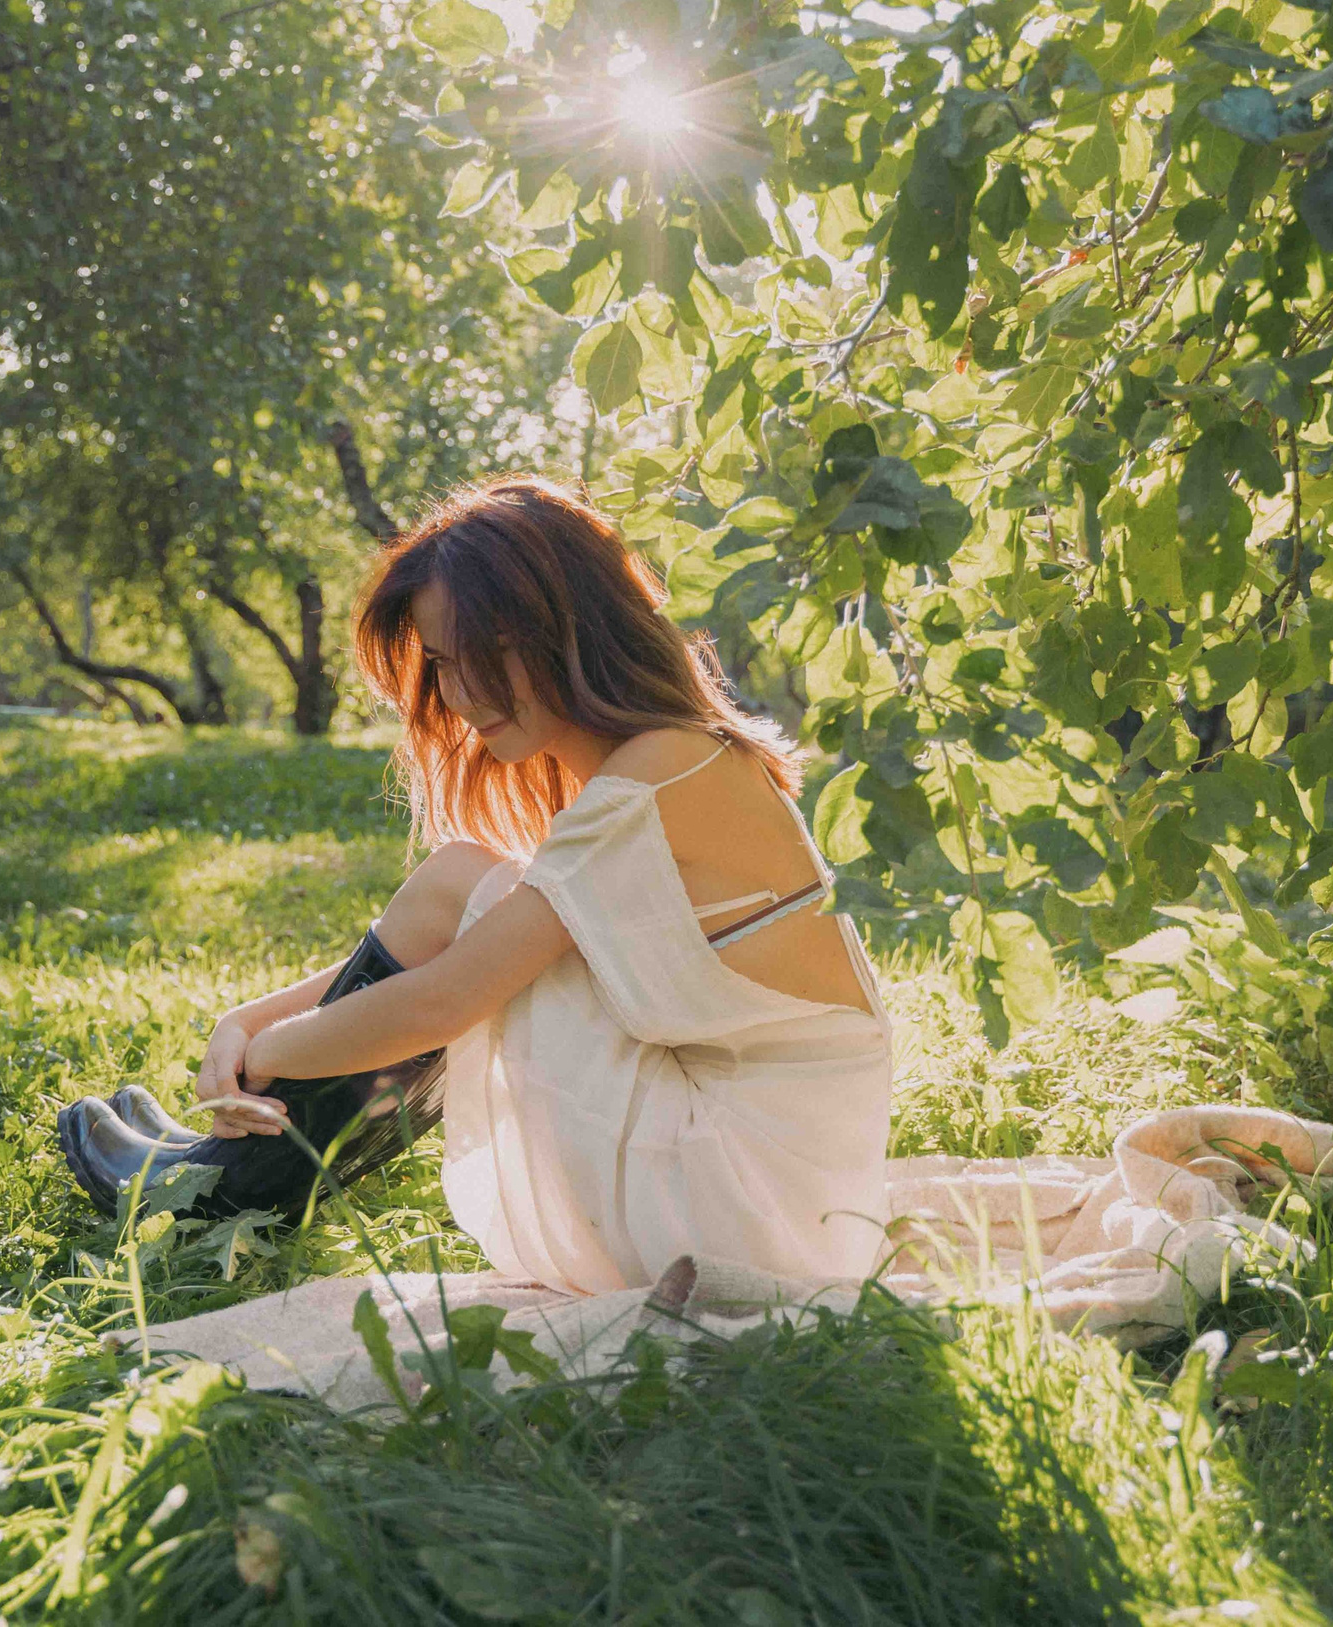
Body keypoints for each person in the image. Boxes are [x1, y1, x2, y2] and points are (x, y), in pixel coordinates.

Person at [58, 475, 896, 1294]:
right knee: (470, 879)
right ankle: (238, 1174)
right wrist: (248, 1020)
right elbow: (478, 947)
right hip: (778, 1190)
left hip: (740, 1204)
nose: (460, 696)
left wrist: (265, 1059)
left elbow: (444, 998)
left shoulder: (656, 775)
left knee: (470, 886)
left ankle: (230, 1180)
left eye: (491, 654)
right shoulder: (672, 758)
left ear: (572, 626)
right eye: (446, 664)